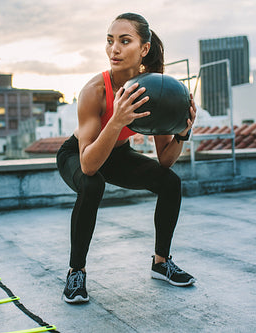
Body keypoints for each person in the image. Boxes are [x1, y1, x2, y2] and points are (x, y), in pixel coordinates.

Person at [56, 12, 197, 304]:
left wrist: (183, 133)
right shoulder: (94, 91)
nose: (114, 49)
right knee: (92, 184)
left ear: (143, 49)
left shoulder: (152, 88)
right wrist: (117, 121)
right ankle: (76, 272)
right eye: (109, 42)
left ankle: (161, 262)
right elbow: (88, 164)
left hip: (118, 154)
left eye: (124, 41)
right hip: (80, 154)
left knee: (170, 182)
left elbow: (165, 160)